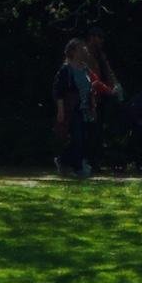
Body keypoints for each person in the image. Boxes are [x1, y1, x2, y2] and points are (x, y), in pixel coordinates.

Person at [51, 37, 97, 178]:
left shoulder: (85, 69)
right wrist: (61, 111)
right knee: (77, 138)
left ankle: (63, 160)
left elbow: (90, 89)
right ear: (73, 51)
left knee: (83, 138)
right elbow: (58, 91)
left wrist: (93, 107)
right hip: (72, 109)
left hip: (85, 109)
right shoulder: (66, 70)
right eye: (80, 48)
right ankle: (78, 168)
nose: (84, 50)